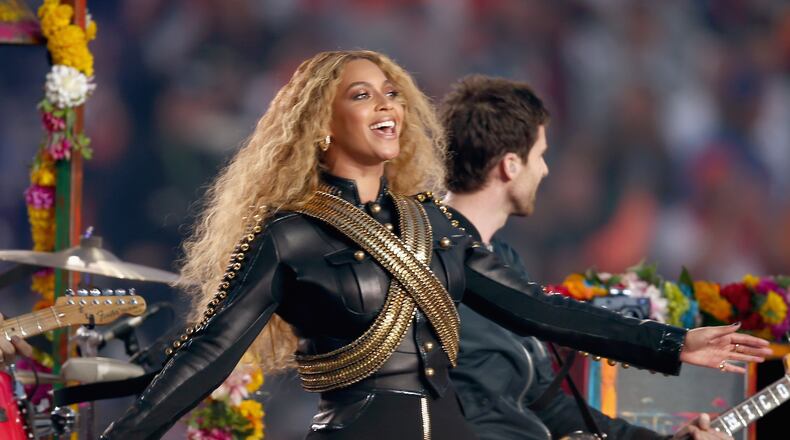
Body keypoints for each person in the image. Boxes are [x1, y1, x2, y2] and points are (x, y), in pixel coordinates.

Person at [1, 50, 770, 440]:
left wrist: (674, 345)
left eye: (392, 90)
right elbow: (206, 357)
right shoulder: (290, 236)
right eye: (360, 93)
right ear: (321, 122)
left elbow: (540, 313)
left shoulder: (433, 225)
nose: (386, 104)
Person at [440, 75, 734, 439]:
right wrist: (673, 343)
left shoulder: (505, 260)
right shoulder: (435, 258)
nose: (545, 170)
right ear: (511, 165)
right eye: (541, 156)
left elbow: (547, 404)